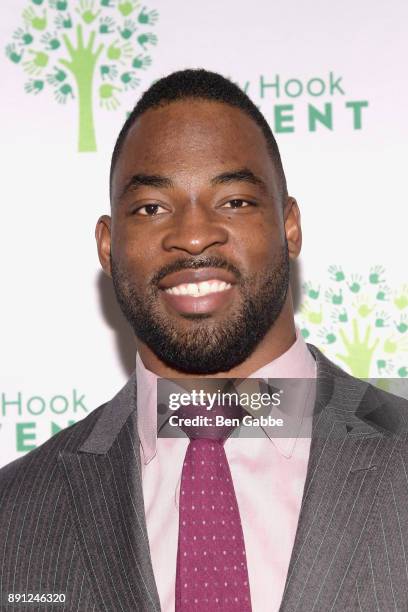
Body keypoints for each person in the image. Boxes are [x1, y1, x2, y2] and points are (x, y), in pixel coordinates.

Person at [0, 69, 407, 612]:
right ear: (107, 244)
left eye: (234, 201)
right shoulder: (14, 512)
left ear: (290, 226)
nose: (193, 236)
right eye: (151, 208)